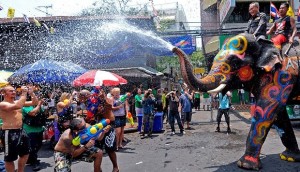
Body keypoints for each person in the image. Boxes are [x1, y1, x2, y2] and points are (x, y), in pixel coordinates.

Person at [79, 89, 119, 172]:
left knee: (109, 147)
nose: (82, 100)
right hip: (97, 125)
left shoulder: (105, 99)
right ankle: (98, 169)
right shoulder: (90, 102)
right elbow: (92, 114)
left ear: (86, 95)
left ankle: (115, 167)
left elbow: (109, 106)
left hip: (108, 124)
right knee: (97, 149)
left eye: (82, 97)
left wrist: (104, 98)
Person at [0, 85, 38, 172]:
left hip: (21, 130)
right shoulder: (2, 104)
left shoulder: (17, 101)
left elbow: (34, 102)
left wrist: (32, 93)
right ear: (3, 93)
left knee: (25, 153)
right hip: (9, 132)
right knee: (9, 158)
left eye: (14, 90)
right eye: (10, 91)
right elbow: (18, 106)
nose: (13, 92)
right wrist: (24, 93)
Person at [22, 96, 46, 171]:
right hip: (30, 130)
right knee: (32, 147)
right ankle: (34, 162)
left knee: (39, 145)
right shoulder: (26, 106)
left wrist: (44, 106)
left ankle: (30, 158)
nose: (37, 99)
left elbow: (42, 114)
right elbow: (33, 113)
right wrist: (39, 105)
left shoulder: (37, 105)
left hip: (39, 128)